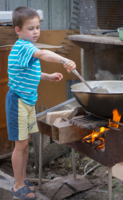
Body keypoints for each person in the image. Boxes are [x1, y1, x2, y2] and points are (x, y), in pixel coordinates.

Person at [6, 6, 76, 200]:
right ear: (18, 30)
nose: (35, 32)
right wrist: (63, 60)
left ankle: (23, 178)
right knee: (20, 145)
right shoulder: (24, 46)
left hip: (27, 102)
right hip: (18, 102)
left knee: (25, 142)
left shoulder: (27, 48)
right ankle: (17, 184)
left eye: (37, 27)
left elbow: (28, 72)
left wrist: (47, 76)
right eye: (30, 28)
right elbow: (44, 54)